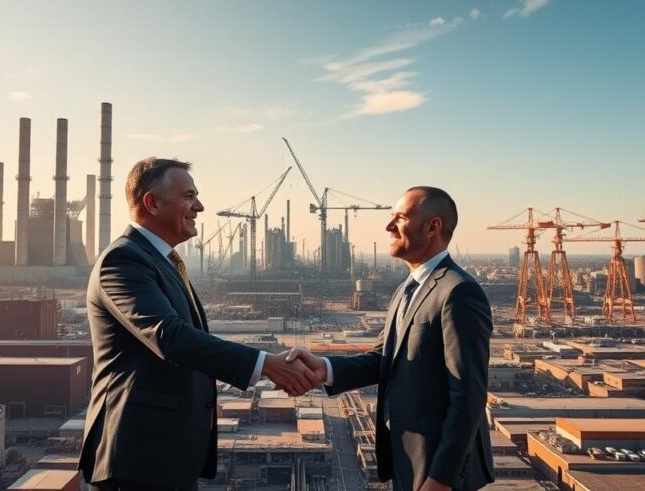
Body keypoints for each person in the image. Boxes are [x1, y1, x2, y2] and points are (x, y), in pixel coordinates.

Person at [78, 157, 320, 490]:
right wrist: (265, 365)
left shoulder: (160, 262)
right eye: (189, 196)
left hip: (165, 457)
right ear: (152, 202)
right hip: (135, 459)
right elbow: (171, 337)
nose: (200, 206)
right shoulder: (123, 260)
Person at [289, 186, 494, 491]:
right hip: (406, 461)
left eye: (399, 218)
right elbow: (385, 357)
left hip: (437, 469)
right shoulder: (406, 289)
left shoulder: (458, 292)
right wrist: (326, 369)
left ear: (433, 226)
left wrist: (442, 478)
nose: (388, 226)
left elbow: (469, 397)